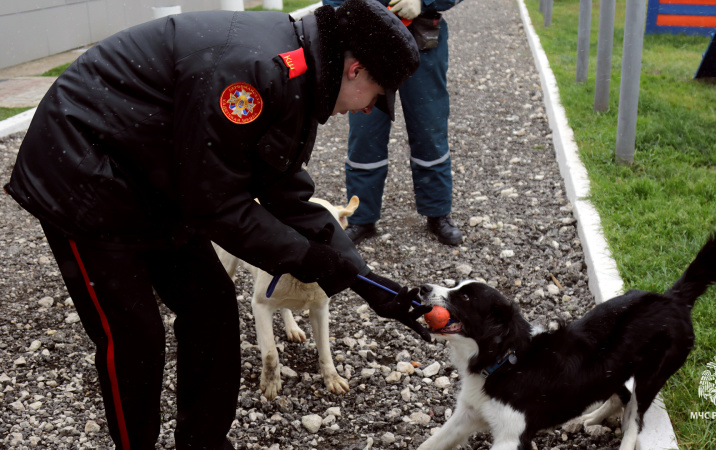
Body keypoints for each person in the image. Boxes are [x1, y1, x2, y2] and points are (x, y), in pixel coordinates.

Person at [4, 0, 432, 448]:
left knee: (211, 306)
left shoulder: (301, 73)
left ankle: (203, 444)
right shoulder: (250, 72)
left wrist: (368, 283)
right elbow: (217, 207)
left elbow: (285, 187)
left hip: (155, 175)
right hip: (81, 173)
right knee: (134, 336)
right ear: (356, 69)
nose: (371, 110)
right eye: (379, 96)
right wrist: (306, 259)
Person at [323, 0, 464, 246]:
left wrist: (423, 1)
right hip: (366, 42)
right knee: (365, 133)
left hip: (422, 39)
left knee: (429, 128)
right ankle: (361, 217)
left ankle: (437, 213)